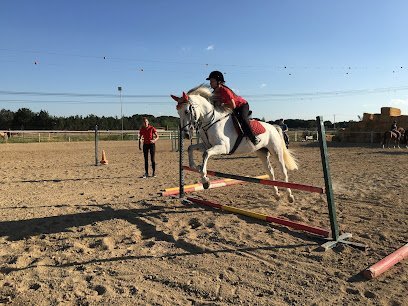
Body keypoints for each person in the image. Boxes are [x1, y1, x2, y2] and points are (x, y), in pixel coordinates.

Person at [206, 71, 260, 145]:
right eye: (210, 81)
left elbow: (233, 106)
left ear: (219, 82)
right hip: (231, 107)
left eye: (212, 81)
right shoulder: (214, 92)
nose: (210, 83)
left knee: (242, 118)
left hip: (242, 105)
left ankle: (253, 138)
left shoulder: (225, 91)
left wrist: (222, 105)